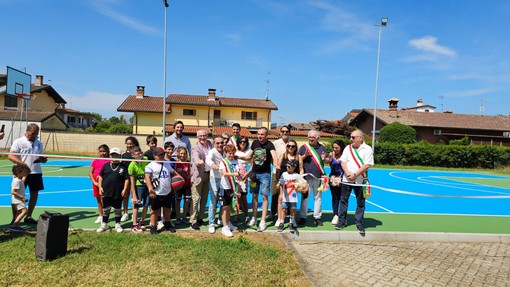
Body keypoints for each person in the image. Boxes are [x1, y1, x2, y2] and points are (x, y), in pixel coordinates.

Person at [241, 127, 279, 232]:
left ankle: (262, 221)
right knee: (254, 196)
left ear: (267, 135)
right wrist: (238, 157)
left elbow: (274, 156)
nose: (260, 136)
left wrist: (275, 164)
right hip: (254, 174)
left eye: (262, 134)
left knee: (265, 197)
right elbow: (249, 156)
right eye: (258, 134)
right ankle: (254, 217)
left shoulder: (270, 145)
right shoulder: (255, 143)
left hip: (265, 175)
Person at [8, 123, 47, 224]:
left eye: (36, 134)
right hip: (22, 173)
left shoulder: (39, 143)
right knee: (17, 196)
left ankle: (28, 216)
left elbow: (40, 157)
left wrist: (42, 160)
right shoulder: (19, 142)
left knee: (34, 194)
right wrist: (22, 164)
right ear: (27, 131)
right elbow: (11, 156)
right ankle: (15, 218)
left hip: (36, 172)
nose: (34, 136)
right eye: (33, 133)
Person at [338, 130, 374, 235]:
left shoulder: (367, 149)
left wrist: (355, 175)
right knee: (343, 200)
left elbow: (367, 165)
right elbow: (343, 162)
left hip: (360, 180)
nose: (351, 139)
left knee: (360, 202)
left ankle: (359, 222)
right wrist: (348, 173)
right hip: (347, 179)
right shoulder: (347, 148)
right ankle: (342, 221)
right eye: (350, 137)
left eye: (353, 137)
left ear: (360, 138)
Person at [298, 130, 330, 226]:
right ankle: (303, 216)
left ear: (317, 138)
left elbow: (328, 160)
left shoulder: (322, 148)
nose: (311, 139)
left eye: (313, 137)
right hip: (306, 177)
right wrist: (304, 156)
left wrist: (325, 159)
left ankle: (317, 217)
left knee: (318, 198)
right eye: (310, 137)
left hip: (319, 177)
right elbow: (298, 159)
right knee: (305, 197)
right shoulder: (303, 148)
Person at [145, 147, 178, 235]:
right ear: (154, 156)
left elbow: (173, 172)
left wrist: (179, 178)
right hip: (156, 192)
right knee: (154, 211)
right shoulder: (150, 166)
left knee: (167, 209)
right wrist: (151, 189)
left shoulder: (167, 163)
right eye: (160, 154)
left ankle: (167, 223)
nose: (162, 155)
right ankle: (153, 226)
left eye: (163, 154)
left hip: (167, 191)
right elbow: (147, 178)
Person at [96, 147, 130, 233]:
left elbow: (127, 179)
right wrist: (100, 187)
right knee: (106, 209)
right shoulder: (106, 166)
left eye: (116, 155)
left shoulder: (123, 167)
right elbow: (100, 177)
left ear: (119, 156)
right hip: (106, 191)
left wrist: (125, 189)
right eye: (112, 155)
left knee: (117, 209)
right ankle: (104, 224)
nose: (114, 156)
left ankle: (117, 224)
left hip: (118, 192)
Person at [275, 139, 303, 227]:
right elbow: (278, 169)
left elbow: (301, 169)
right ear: (286, 147)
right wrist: (278, 181)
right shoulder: (282, 156)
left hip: (294, 183)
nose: (290, 148)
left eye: (293, 146)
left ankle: (292, 219)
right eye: (289, 146)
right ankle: (280, 219)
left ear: (295, 148)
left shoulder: (298, 157)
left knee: (292, 201)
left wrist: (300, 181)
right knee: (280, 199)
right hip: (284, 181)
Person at [190, 129, 212, 230]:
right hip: (198, 175)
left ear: (207, 136)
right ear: (197, 137)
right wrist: (198, 161)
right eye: (200, 136)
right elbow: (195, 157)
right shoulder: (195, 148)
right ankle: (193, 220)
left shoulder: (211, 145)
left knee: (204, 198)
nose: (202, 138)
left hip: (209, 175)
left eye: (204, 135)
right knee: (195, 198)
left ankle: (200, 218)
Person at [277, 160, 304, 234]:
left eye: (289, 166)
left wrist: (302, 188)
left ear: (294, 167)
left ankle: (291, 222)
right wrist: (280, 193)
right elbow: (281, 184)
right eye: (287, 166)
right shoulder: (284, 174)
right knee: (283, 209)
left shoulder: (297, 176)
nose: (287, 167)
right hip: (285, 196)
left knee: (292, 210)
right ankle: (281, 222)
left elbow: (303, 183)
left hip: (293, 197)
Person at [205, 135, 225, 234]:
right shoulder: (212, 151)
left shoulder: (226, 151)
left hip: (224, 179)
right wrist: (213, 165)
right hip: (214, 178)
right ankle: (211, 223)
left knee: (223, 201)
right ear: (214, 144)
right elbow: (207, 159)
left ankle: (221, 219)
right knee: (213, 201)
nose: (220, 144)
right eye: (218, 143)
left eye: (222, 142)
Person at [271, 125, 292, 223]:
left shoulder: (292, 143)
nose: (285, 133)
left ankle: (286, 213)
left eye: (286, 131)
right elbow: (272, 157)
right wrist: (276, 165)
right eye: (283, 131)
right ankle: (273, 212)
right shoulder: (275, 143)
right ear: (280, 132)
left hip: (289, 173)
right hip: (277, 172)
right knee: (275, 193)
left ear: (289, 132)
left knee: (287, 194)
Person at [218, 144, 240, 237]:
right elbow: (224, 173)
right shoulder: (223, 162)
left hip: (233, 187)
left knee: (230, 206)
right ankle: (224, 227)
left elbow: (238, 171)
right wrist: (234, 174)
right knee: (225, 207)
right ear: (226, 153)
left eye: (232, 153)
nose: (231, 155)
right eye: (229, 153)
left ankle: (228, 222)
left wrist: (238, 173)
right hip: (225, 187)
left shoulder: (235, 161)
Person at [128, 146, 149, 233]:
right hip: (138, 187)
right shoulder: (131, 165)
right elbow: (132, 182)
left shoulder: (145, 159)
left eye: (141, 153)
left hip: (146, 185)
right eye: (138, 154)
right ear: (133, 155)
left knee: (147, 203)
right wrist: (134, 195)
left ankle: (142, 221)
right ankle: (134, 225)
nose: (140, 155)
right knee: (137, 205)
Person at [88, 144, 110, 224]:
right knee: (99, 200)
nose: (102, 153)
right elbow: (90, 172)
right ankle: (100, 216)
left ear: (107, 152)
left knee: (104, 200)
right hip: (96, 184)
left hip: (106, 184)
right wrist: (94, 182)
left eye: (104, 151)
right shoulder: (95, 160)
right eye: (100, 151)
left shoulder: (110, 160)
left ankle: (105, 216)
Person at [120, 136, 140, 222]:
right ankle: (125, 213)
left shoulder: (137, 154)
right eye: (127, 144)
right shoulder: (123, 154)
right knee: (125, 196)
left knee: (134, 196)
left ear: (134, 144)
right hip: (125, 178)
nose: (128, 145)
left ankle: (134, 214)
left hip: (134, 178)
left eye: (130, 143)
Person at [329, 140, 346, 226]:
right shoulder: (331, 154)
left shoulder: (345, 155)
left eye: (337, 147)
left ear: (341, 148)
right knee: (335, 198)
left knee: (342, 199)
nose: (335, 149)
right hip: (332, 179)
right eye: (333, 147)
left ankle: (343, 216)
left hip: (343, 180)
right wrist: (324, 158)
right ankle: (335, 215)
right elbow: (328, 162)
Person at [9, 164, 31, 231]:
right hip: (18, 200)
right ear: (19, 173)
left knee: (18, 213)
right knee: (25, 211)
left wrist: (27, 171)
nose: (25, 173)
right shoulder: (17, 181)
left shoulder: (19, 179)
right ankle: (14, 225)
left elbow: (25, 175)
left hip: (17, 200)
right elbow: (13, 192)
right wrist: (23, 197)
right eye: (24, 172)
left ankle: (15, 225)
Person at [174, 147, 192, 225]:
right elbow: (174, 173)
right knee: (178, 201)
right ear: (178, 154)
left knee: (187, 201)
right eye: (181, 153)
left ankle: (184, 217)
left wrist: (189, 178)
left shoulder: (188, 163)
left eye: (184, 153)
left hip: (187, 185)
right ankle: (178, 217)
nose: (182, 155)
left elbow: (191, 173)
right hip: (178, 186)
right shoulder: (176, 163)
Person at [234, 136, 250, 223]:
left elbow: (253, 165)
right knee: (237, 197)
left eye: (244, 141)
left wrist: (247, 175)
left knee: (244, 197)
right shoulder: (235, 152)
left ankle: (247, 215)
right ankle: (237, 215)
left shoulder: (248, 152)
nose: (242, 143)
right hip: (235, 177)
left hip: (244, 178)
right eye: (241, 142)